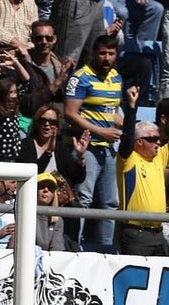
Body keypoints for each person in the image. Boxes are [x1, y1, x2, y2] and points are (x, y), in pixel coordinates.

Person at [116, 84, 169, 256]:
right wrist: (131, 108)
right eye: (152, 139)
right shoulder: (129, 159)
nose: (158, 142)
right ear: (139, 142)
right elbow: (127, 136)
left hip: (158, 232)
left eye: (158, 139)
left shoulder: (160, 156)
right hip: (135, 233)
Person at [63, 33, 123, 250]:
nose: (106, 58)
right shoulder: (80, 78)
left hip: (107, 149)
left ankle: (107, 250)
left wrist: (129, 128)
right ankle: (74, 248)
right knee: (83, 199)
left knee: (110, 203)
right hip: (85, 148)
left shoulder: (116, 77)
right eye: (102, 53)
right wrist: (101, 132)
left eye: (111, 53)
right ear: (94, 54)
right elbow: (70, 113)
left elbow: (112, 112)